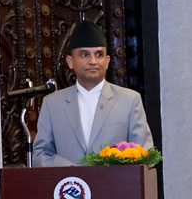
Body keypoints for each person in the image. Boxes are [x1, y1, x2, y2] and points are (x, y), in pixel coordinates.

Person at [29, 19, 154, 167]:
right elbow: (40, 154)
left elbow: (145, 155)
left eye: (99, 54)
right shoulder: (53, 104)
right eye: (84, 55)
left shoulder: (130, 100)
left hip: (115, 182)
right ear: (70, 61)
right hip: (69, 182)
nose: (93, 61)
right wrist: (73, 172)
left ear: (107, 61)